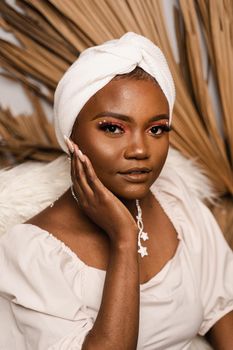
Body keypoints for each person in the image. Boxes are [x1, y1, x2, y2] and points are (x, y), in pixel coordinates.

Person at [0, 32, 232, 350]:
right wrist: (124, 238)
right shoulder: (30, 253)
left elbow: (223, 308)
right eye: (113, 128)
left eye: (156, 129)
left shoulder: (174, 199)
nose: (139, 149)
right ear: (71, 137)